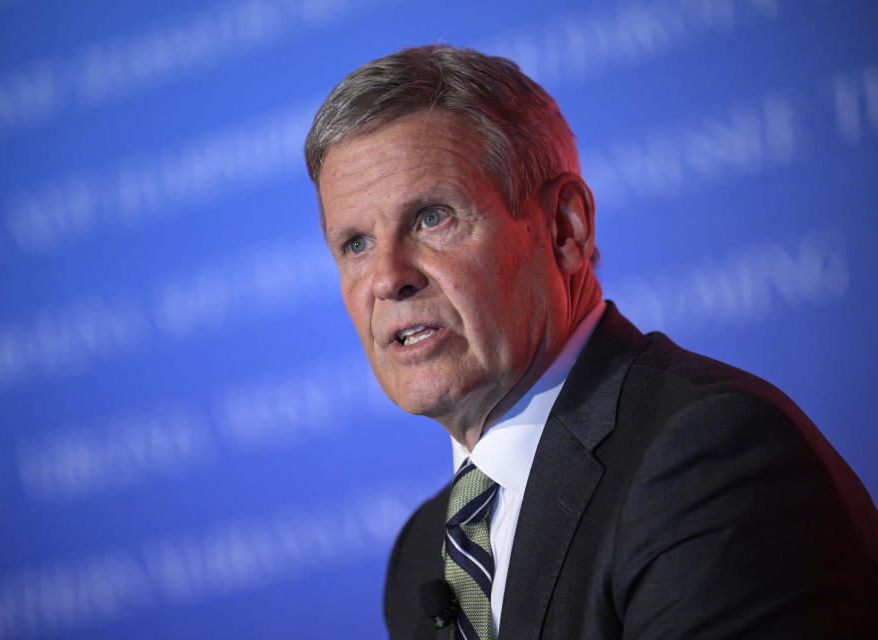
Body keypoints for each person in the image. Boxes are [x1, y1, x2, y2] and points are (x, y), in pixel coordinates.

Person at [304, 45, 878, 639]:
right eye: (355, 245)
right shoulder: (422, 552)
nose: (387, 277)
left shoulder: (705, 458)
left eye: (431, 218)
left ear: (565, 228)